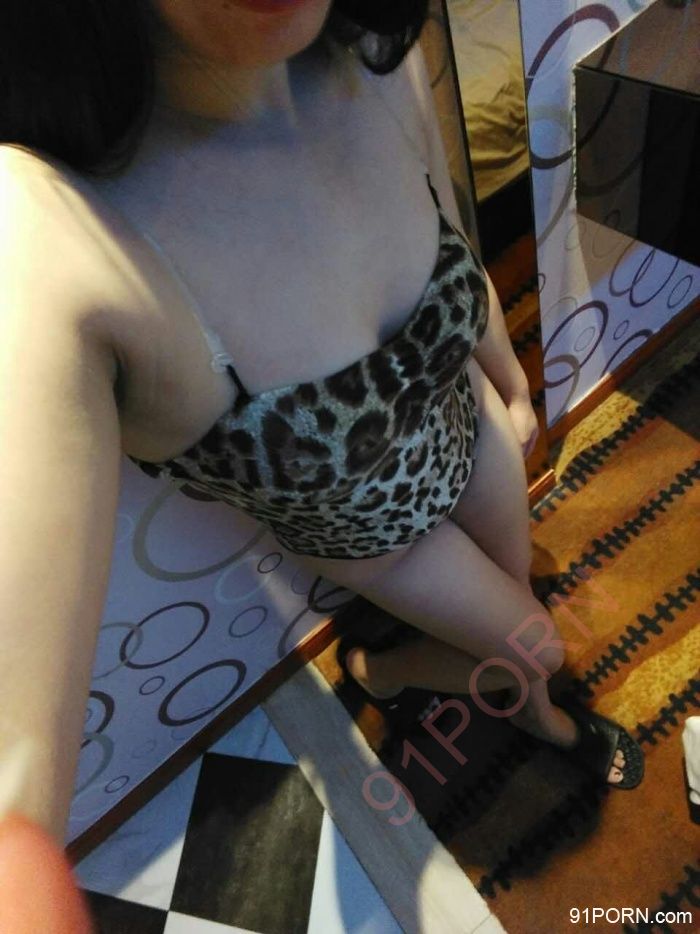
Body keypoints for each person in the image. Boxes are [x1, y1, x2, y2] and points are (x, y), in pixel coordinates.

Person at [0, 0, 642, 851]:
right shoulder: (54, 230)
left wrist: (513, 385)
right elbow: (15, 782)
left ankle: (507, 699)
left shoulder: (373, 58)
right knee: (539, 649)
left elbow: (451, 242)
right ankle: (389, 670)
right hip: (387, 542)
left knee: (518, 609)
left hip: (475, 424)